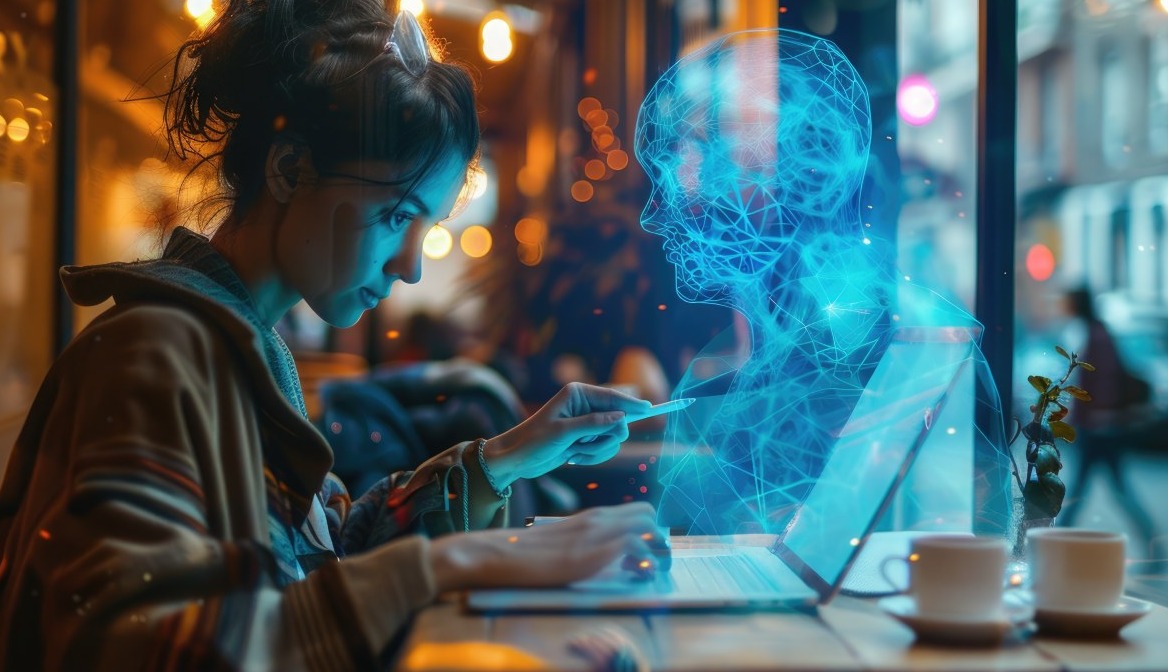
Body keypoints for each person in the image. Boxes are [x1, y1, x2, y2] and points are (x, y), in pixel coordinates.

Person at [0, 2, 668, 669]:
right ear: (289, 171)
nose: (410, 266)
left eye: (424, 227)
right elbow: (132, 646)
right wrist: (458, 560)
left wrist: (504, 459)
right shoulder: (152, 354)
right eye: (396, 214)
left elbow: (324, 559)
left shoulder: (237, 344)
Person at [634, 28, 1010, 535]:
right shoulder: (732, 356)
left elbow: (963, 543)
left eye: (686, 156)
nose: (653, 213)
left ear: (805, 170)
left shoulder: (909, 347)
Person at [1057, 287, 1156, 550]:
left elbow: (1097, 387)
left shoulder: (1096, 336)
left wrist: (1080, 419)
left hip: (1100, 428)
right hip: (1100, 426)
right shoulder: (1095, 333)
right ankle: (1152, 539)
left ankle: (1055, 540)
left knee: (1083, 490)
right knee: (1099, 488)